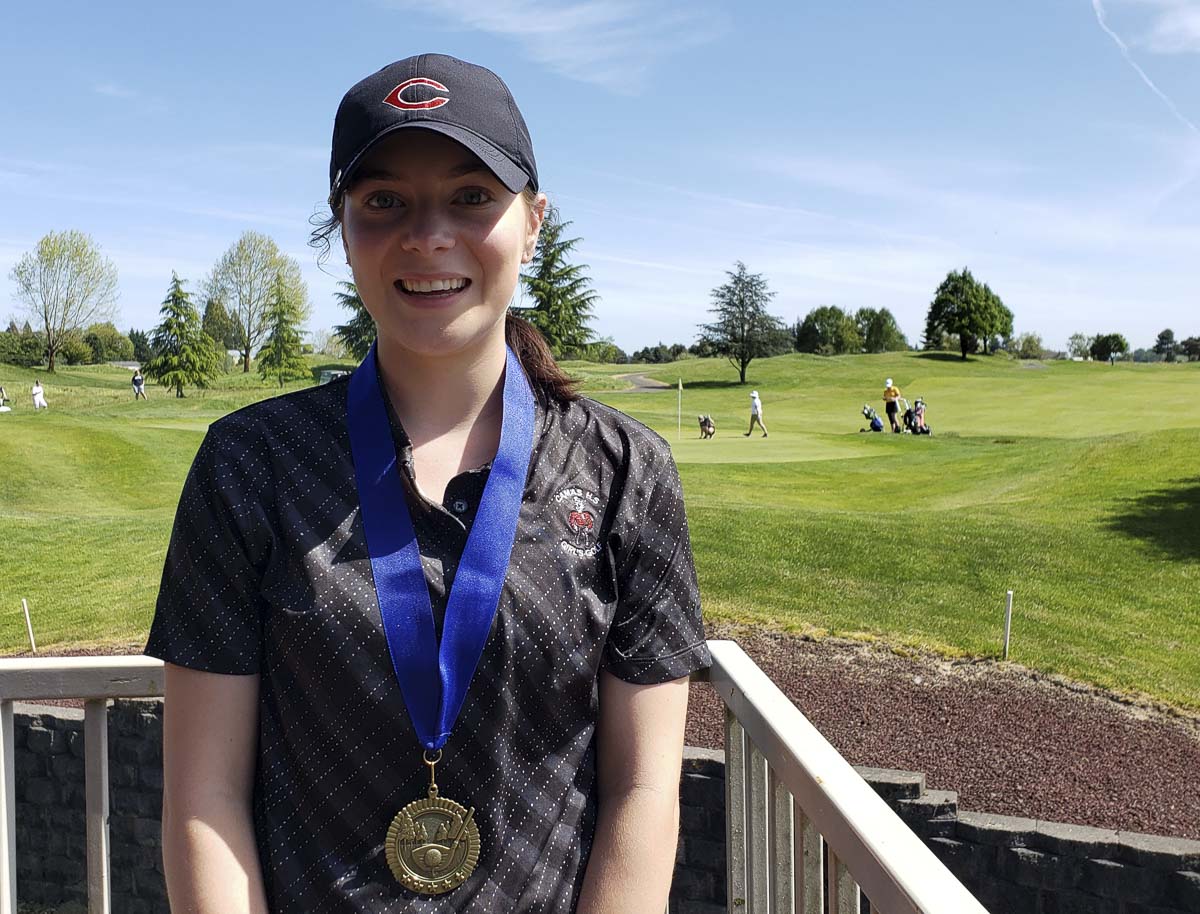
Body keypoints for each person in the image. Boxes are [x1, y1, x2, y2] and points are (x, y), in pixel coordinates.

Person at [146, 54, 710, 914]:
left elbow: (643, 789)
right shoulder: (249, 463)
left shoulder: (625, 470)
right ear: (343, 230)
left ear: (533, 223)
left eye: (471, 196)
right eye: (384, 202)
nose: (427, 235)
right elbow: (203, 797)